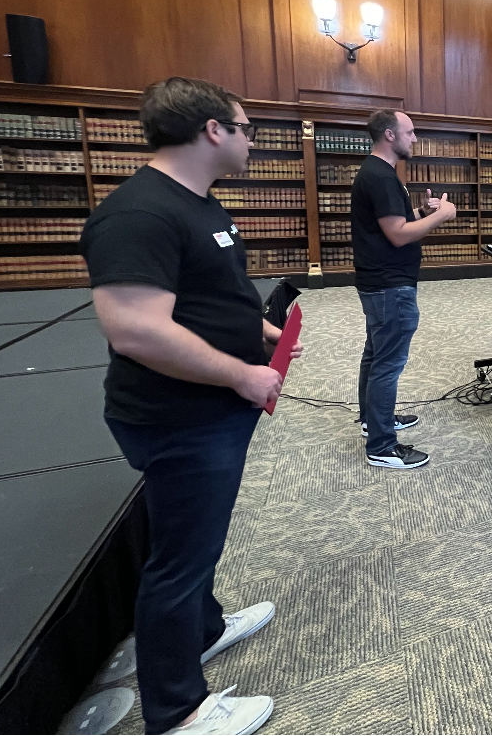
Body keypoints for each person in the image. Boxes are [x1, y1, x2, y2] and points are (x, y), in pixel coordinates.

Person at [79, 78, 304, 736]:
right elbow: (136, 330)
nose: (252, 140)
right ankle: (177, 710)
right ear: (212, 130)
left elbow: (207, 297)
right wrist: (241, 374)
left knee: (196, 542)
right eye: (245, 128)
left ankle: (203, 629)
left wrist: (260, 333)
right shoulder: (138, 214)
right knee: (180, 558)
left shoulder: (203, 204)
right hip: (179, 416)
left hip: (212, 409)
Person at [352, 110, 456, 470]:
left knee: (375, 354)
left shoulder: (378, 173)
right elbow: (397, 235)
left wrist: (420, 211)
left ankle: (372, 420)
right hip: (389, 286)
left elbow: (391, 221)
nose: (415, 138)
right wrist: (441, 215)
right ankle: (382, 446)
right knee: (387, 363)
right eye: (410, 132)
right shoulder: (380, 177)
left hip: (378, 283)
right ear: (389, 135)